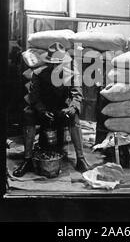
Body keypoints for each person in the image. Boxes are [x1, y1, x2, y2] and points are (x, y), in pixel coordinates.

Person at [13, 42, 90, 177]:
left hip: (62, 110)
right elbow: (34, 97)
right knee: (27, 113)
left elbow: (77, 94)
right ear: (48, 63)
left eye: (58, 64)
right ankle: (27, 159)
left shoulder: (71, 75)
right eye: (52, 64)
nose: (55, 67)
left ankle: (81, 159)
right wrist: (42, 110)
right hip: (43, 111)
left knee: (75, 116)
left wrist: (72, 107)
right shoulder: (38, 74)